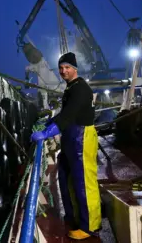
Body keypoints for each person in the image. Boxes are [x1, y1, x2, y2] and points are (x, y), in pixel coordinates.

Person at [31, 52, 101, 240]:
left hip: (82, 137)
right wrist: (48, 123)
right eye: (61, 67)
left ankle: (89, 227)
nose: (63, 71)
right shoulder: (71, 88)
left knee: (84, 183)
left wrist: (46, 134)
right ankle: (73, 216)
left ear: (75, 68)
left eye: (67, 67)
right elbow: (64, 114)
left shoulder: (81, 89)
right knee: (65, 178)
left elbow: (68, 115)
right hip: (70, 138)